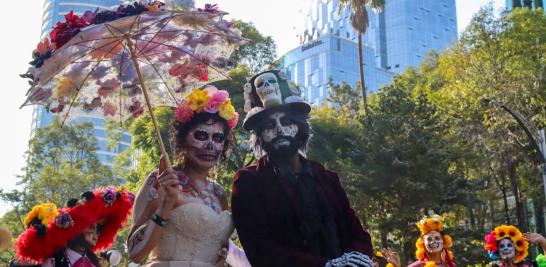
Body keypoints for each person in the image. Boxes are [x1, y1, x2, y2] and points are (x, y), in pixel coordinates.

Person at [231, 69, 374, 266]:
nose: (280, 130)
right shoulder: (249, 182)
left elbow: (357, 232)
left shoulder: (326, 178)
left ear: (300, 127)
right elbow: (259, 249)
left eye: (287, 122)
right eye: (270, 125)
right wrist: (324, 265)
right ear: (261, 135)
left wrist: (359, 257)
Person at [127, 86, 249, 267]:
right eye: (200, 135)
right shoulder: (160, 181)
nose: (210, 146)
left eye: (218, 138)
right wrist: (168, 203)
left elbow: (219, 252)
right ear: (182, 140)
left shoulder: (219, 192)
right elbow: (134, 252)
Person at [14, 187, 133, 267]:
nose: (95, 233)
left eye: (98, 228)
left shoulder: (93, 263)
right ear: (75, 228)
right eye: (91, 226)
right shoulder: (53, 262)